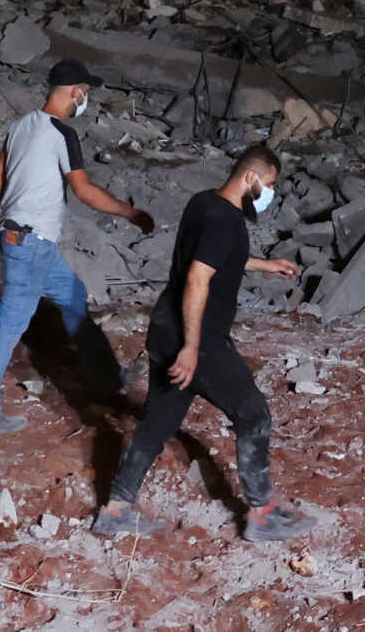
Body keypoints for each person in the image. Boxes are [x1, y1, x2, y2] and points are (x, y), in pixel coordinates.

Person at [92, 145, 314, 542]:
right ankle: (262, 515)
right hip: (195, 338)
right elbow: (198, 278)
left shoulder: (204, 203)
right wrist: (192, 348)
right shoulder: (225, 220)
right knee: (254, 415)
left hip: (163, 329)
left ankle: (115, 510)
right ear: (252, 178)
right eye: (270, 185)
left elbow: (216, 259)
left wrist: (267, 265)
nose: (270, 193)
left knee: (157, 423)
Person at [0, 58, 156, 435]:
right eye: (86, 92)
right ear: (76, 92)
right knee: (10, 324)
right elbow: (83, 191)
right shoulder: (61, 134)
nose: (85, 99)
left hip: (27, 241)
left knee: (72, 295)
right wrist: (129, 212)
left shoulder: (20, 126)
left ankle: (108, 377)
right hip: (30, 243)